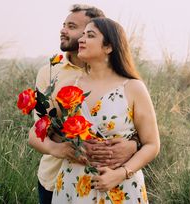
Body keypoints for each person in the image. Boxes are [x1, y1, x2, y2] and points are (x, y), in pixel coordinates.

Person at [28, 5, 138, 204]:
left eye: (72, 26)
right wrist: (62, 148)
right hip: (56, 179)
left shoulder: (121, 81)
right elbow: (41, 127)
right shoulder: (51, 74)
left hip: (109, 182)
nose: (64, 31)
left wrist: (133, 144)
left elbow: (137, 129)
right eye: (64, 25)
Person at [52, 17, 160, 203]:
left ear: (108, 47)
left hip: (120, 187)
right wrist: (64, 148)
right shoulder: (68, 87)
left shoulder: (133, 88)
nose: (81, 40)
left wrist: (120, 174)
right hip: (73, 186)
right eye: (83, 34)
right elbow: (46, 131)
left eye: (90, 35)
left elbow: (152, 144)